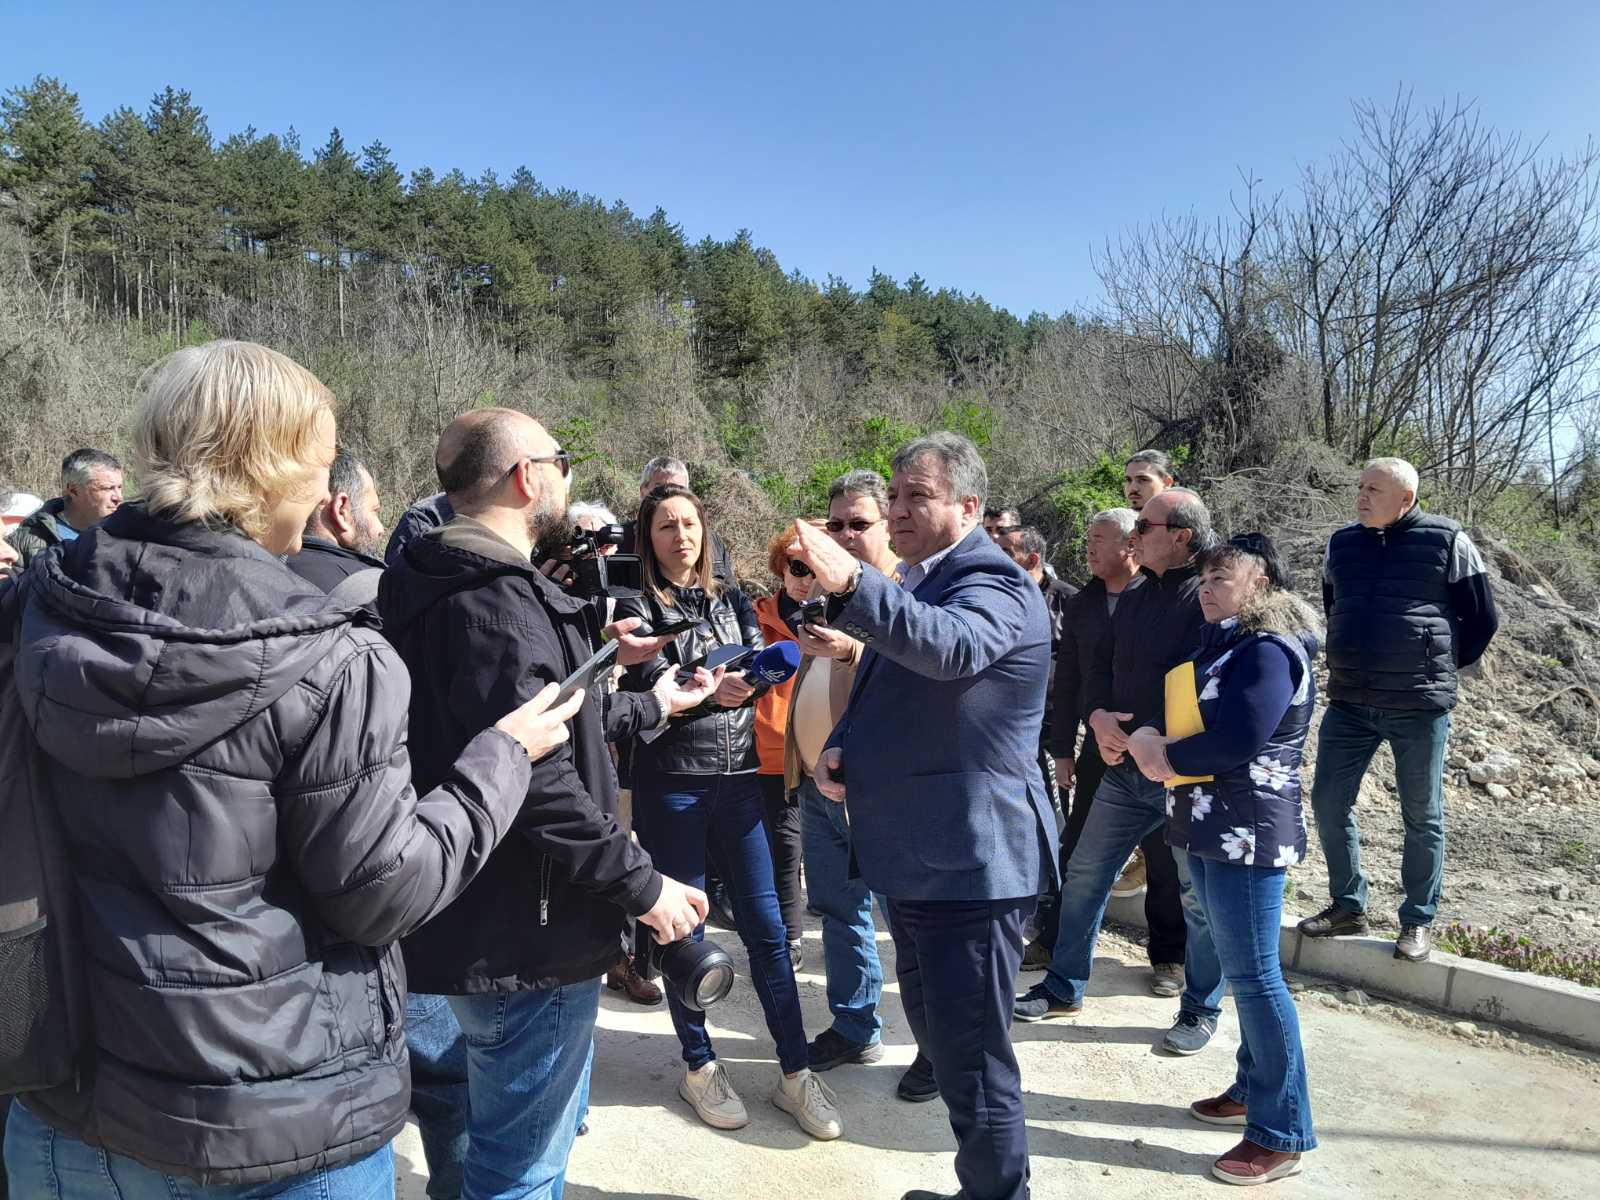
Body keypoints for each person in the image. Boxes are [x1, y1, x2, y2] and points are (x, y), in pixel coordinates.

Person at [1, 340, 583, 1198]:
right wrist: (501, 761)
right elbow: (381, 893)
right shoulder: (333, 657)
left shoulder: (34, 604)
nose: (322, 494)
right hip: (273, 1123)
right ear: (270, 469)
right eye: (318, 464)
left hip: (68, 1110)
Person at [379, 409, 715, 1199]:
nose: (568, 475)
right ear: (527, 477)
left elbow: (549, 721)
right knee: (522, 1171)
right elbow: (538, 779)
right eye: (560, 460)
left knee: (482, 1145)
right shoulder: (497, 602)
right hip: (526, 937)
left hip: (473, 917)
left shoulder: (434, 580)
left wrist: (649, 698)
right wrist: (644, 888)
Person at [789, 432, 1056, 1200]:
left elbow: (949, 650)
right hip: (920, 858)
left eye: (918, 497)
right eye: (896, 495)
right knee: (944, 1038)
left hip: (971, 863)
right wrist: (844, 746)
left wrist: (853, 582)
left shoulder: (993, 582)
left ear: (968, 507)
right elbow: (899, 691)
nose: (899, 510)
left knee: (972, 1058)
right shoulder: (917, 578)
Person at [616, 484, 842, 1141]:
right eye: (666, 525)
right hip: (672, 783)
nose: (681, 535)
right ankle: (699, 1066)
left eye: (689, 523)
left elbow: (755, 662)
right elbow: (646, 690)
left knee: (768, 931)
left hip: (741, 779)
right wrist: (707, 691)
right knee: (682, 933)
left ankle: (795, 1072)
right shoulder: (633, 605)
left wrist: (751, 680)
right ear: (648, 536)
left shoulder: (732, 597)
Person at [1126, 533, 1320, 1185]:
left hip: (1248, 830)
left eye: (1222, 577)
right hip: (1209, 823)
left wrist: (1161, 756)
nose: (1207, 588)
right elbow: (1191, 714)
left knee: (1257, 975)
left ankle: (1282, 1134)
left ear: (1260, 583)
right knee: (1242, 970)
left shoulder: (1269, 648)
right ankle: (1251, 1088)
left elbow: (1238, 738)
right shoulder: (1225, 644)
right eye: (1204, 578)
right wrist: (1149, 732)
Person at [1016, 488, 1227, 1059]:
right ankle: (1064, 986)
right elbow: (1101, 671)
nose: (1135, 537)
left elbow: (1206, 683)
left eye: (1145, 527)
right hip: (1125, 771)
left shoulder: (1206, 597)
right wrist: (1098, 716)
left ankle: (1200, 1007)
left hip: (1182, 777)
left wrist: (1149, 734)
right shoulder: (1135, 595)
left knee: (1196, 896)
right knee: (1086, 872)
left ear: (1181, 536)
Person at [1302, 457, 1499, 962]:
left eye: (1374, 490)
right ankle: (1348, 905)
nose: (1361, 497)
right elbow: (1335, 607)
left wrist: (1436, 665)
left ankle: (1417, 919)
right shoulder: (1341, 543)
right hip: (1350, 701)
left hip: (1418, 704)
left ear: (1406, 499)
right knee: (1327, 802)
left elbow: (1482, 618)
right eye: (1360, 487)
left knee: (1421, 815)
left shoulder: (1448, 540)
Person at [785, 470, 934, 1100]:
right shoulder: (829, 591)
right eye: (836, 524)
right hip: (820, 784)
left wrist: (850, 651)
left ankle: (937, 1049)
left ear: (888, 526)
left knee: (910, 923)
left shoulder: (911, 592)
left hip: (883, 791)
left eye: (859, 523)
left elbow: (916, 671)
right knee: (839, 910)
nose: (846, 535)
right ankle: (854, 1025)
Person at [1027, 509, 1156, 968]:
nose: (1089, 548)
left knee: (1163, 858)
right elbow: (1069, 683)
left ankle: (1169, 957)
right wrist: (1063, 750)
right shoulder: (1083, 603)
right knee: (1078, 848)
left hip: (1158, 747)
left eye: (1099, 539)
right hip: (1099, 748)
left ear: (1130, 545)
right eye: (1088, 539)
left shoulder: (1159, 598)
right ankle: (1053, 941)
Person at [754, 524, 809, 969]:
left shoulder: (853, 619)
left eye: (816, 567)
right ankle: (788, 936)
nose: (806, 577)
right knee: (783, 850)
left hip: (832, 756)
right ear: (781, 568)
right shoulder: (755, 619)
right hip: (772, 758)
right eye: (797, 566)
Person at [618, 456, 736, 583]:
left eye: (678, 490)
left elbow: (729, 588)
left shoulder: (711, 541)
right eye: (659, 489)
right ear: (643, 491)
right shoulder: (619, 541)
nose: (669, 495)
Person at [284, 447, 386, 591]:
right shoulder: (372, 591)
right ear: (341, 512)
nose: (381, 529)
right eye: (374, 511)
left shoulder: (262, 569)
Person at [6, 448, 124, 568]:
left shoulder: (125, 534)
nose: (119, 497)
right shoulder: (26, 543)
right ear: (73, 490)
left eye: (119, 487)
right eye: (107, 488)